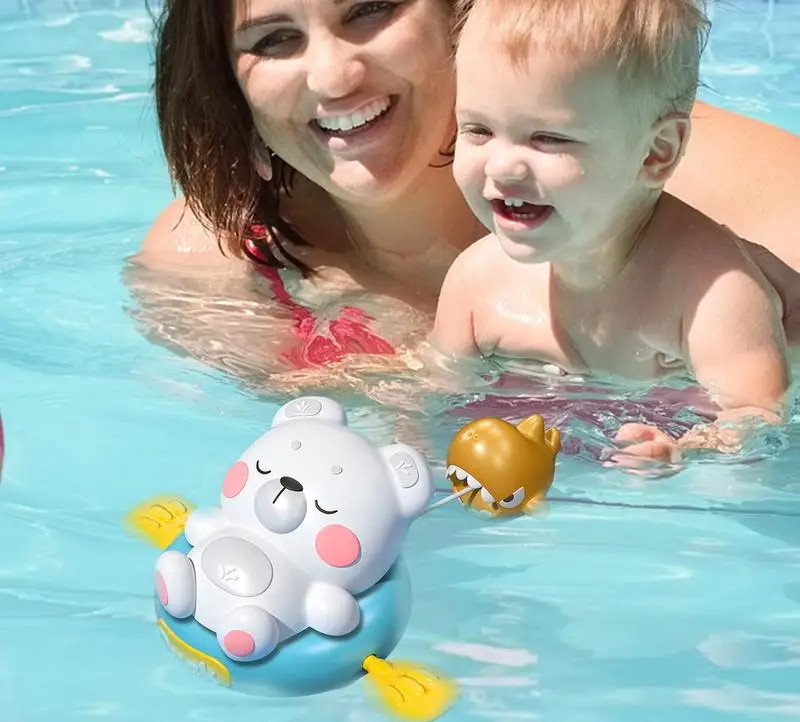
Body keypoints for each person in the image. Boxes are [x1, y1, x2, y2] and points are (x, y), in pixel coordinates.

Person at [133, 0, 800, 437]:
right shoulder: (218, 263)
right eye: (275, 40)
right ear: (231, 87)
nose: (335, 78)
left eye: (372, 7)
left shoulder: (650, 164)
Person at [430, 0, 800, 464]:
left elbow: (758, 423)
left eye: (549, 137)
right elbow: (430, 403)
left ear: (656, 154)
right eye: (478, 130)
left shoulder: (712, 294)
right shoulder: (475, 284)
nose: (502, 165)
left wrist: (686, 452)